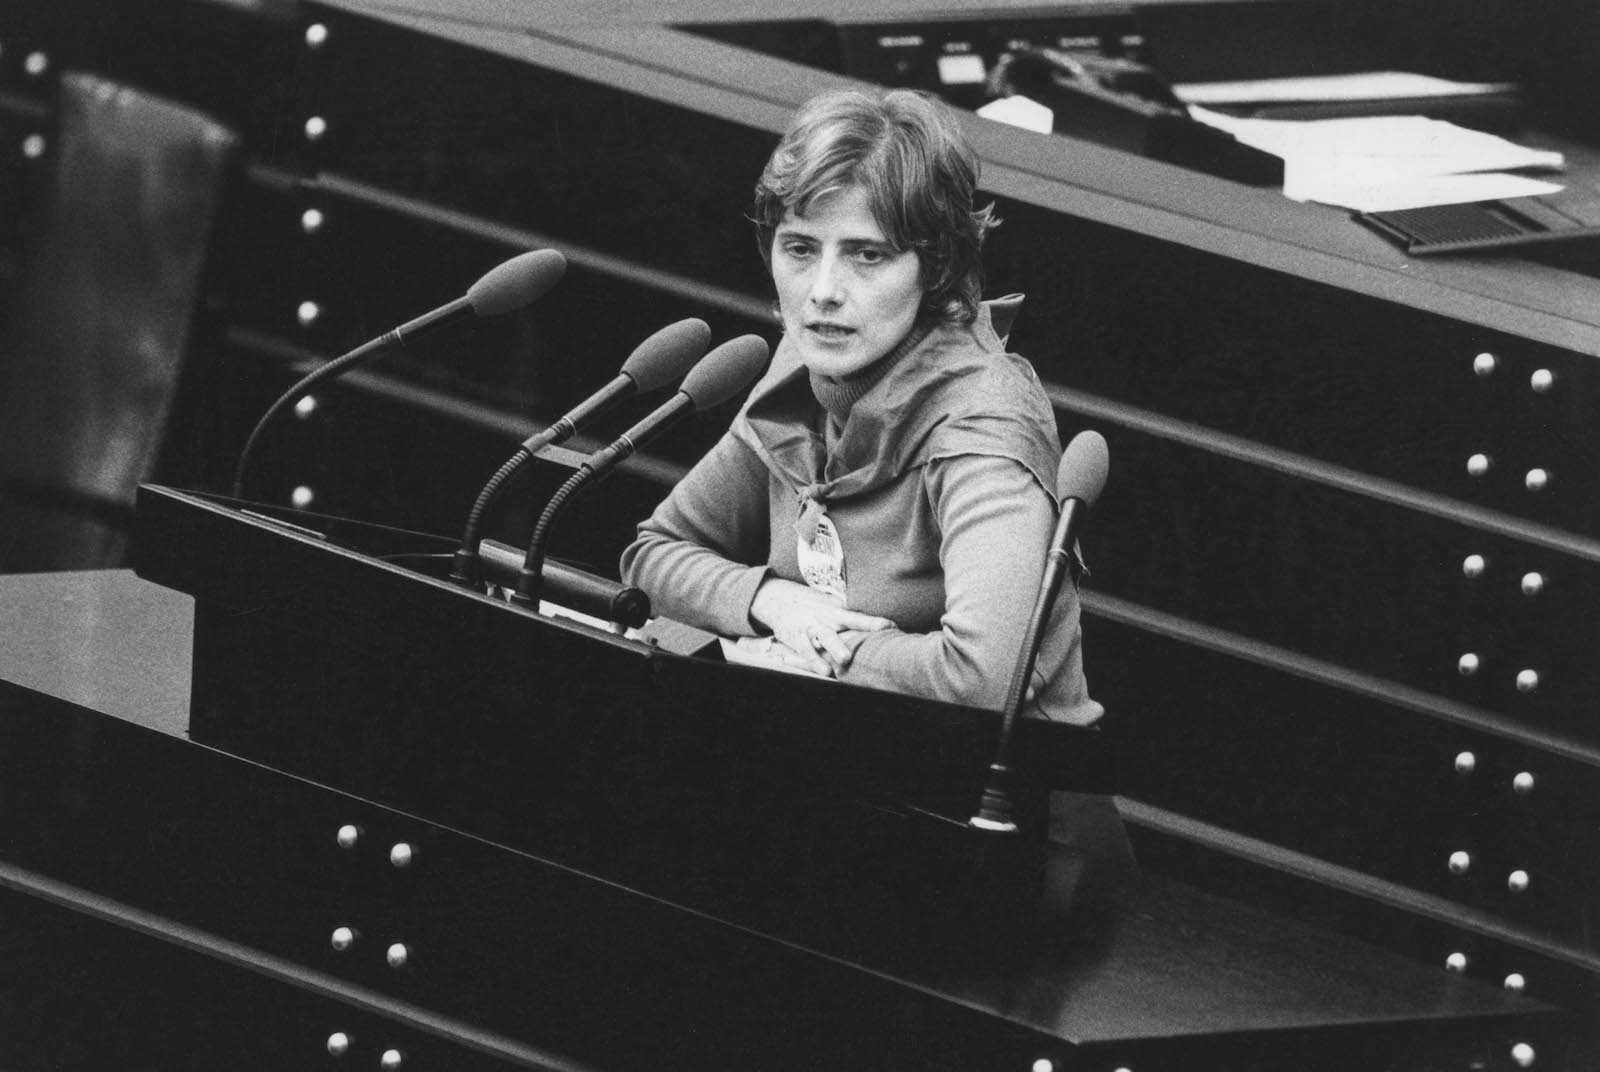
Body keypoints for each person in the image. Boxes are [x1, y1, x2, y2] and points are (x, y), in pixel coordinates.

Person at [620, 87, 1101, 726]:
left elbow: (986, 679)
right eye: (799, 248)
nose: (822, 293)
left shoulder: (983, 424)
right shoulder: (805, 369)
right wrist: (775, 602)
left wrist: (819, 654)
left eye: (866, 255)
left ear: (933, 267)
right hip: (833, 768)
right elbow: (653, 555)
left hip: (1000, 800)